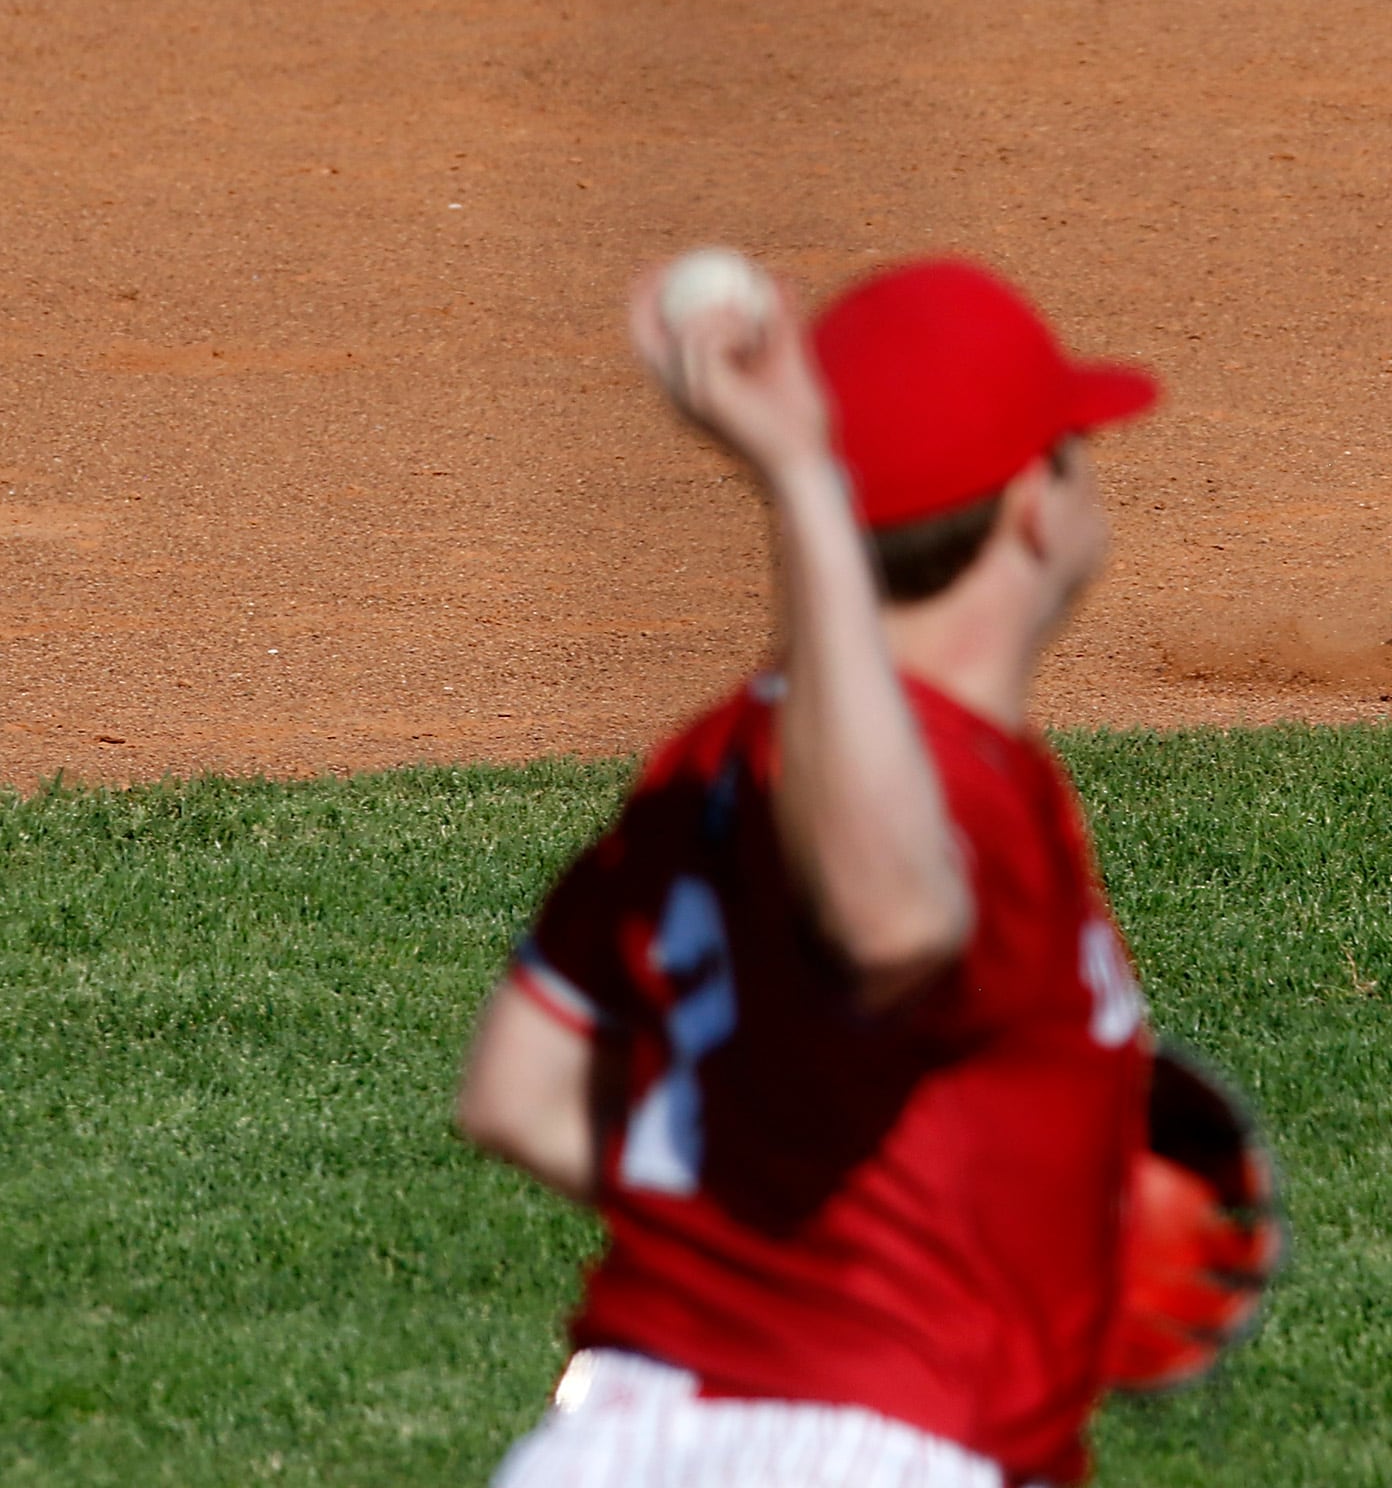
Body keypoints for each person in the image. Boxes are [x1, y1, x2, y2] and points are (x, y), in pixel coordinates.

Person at [454, 255, 1166, 1488]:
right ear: (1034, 503)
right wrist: (796, 473)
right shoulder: (962, 781)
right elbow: (893, 916)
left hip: (608, 1441)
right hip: (876, 1446)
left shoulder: (713, 756)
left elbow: (515, 1088)